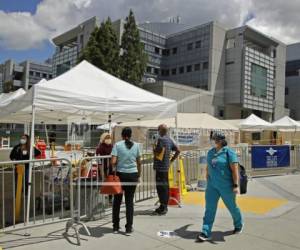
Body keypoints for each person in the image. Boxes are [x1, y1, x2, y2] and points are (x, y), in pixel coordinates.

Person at [197, 131, 243, 242]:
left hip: (226, 186)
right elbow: (208, 167)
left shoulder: (229, 153)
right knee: (209, 209)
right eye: (212, 139)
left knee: (232, 207)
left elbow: (234, 170)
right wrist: (207, 179)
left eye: (215, 139)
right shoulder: (210, 152)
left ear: (221, 141)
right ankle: (206, 231)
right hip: (212, 186)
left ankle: (238, 224)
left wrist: (236, 185)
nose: (213, 141)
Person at [111, 127, 141, 235]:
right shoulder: (137, 145)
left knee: (117, 202)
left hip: (120, 176)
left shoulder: (118, 145)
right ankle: (129, 228)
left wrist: (118, 162)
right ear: (131, 135)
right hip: (133, 175)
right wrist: (139, 175)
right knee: (129, 202)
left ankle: (115, 227)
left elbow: (113, 162)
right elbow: (139, 162)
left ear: (122, 135)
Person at [153, 124, 180, 215]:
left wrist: (154, 148)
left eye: (158, 129)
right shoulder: (169, 140)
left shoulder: (160, 140)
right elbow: (178, 150)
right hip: (166, 166)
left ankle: (163, 207)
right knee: (165, 186)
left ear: (160, 131)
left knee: (161, 187)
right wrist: (171, 160)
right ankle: (163, 206)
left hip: (160, 167)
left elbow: (158, 151)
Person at [96, 132, 113, 203]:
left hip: (110, 168)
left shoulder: (112, 146)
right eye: (107, 138)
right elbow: (98, 159)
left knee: (110, 182)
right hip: (102, 168)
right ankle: (100, 200)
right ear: (103, 139)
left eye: (109, 138)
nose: (108, 139)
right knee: (103, 182)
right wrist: (101, 170)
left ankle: (110, 198)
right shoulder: (100, 147)